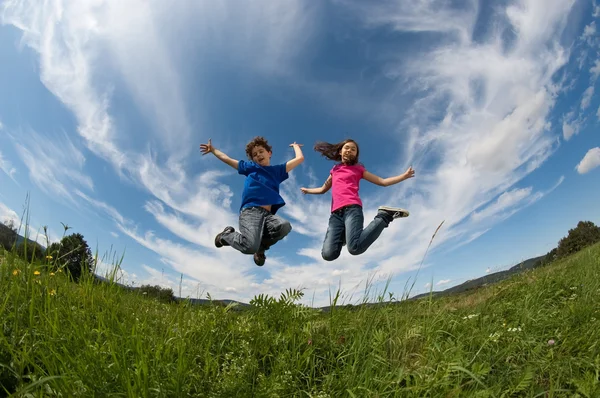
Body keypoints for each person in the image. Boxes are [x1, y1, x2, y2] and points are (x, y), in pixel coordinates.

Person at [300, 139, 415, 261]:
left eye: (353, 149)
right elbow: (323, 189)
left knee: (355, 248)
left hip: (352, 210)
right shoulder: (335, 170)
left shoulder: (358, 169)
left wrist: (403, 176)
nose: (349, 150)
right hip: (335, 215)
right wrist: (308, 190)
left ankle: (384, 216)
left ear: (356, 154)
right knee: (328, 255)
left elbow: (382, 181)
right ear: (340, 151)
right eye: (347, 147)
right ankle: (344, 234)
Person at [200, 136, 304, 266]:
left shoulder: (277, 171)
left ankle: (261, 248)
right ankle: (226, 236)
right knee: (249, 247)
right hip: (250, 212)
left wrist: (295, 146)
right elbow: (227, 159)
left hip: (268, 216)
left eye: (261, 151)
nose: (258, 155)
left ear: (269, 153)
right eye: (255, 154)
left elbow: (299, 159)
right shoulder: (250, 167)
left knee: (284, 226)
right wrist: (213, 150)